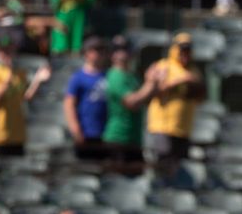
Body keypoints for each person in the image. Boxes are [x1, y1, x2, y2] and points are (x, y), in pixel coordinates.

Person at [146, 33, 205, 181]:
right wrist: (180, 80)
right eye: (182, 50)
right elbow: (157, 91)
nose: (185, 53)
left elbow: (200, 98)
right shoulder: (163, 66)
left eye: (188, 50)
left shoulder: (194, 71)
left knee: (179, 167)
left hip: (183, 128)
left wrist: (195, 84)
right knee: (163, 163)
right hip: (163, 126)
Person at [0, 33, 49, 157]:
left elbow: (25, 98)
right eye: (4, 51)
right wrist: (9, 76)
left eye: (10, 50)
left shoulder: (20, 73)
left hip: (16, 135)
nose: (8, 54)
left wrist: (38, 80)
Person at [102, 35, 156, 172]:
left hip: (134, 138)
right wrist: (150, 83)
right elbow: (131, 102)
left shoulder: (132, 76)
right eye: (118, 50)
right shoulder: (115, 75)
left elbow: (143, 100)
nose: (122, 54)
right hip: (118, 138)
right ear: (112, 54)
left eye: (125, 49)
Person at [63, 36, 108, 160]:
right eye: (95, 50)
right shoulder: (78, 78)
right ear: (87, 53)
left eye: (101, 50)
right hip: (86, 132)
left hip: (106, 133)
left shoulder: (109, 76)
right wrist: (76, 130)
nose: (99, 54)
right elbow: (69, 104)